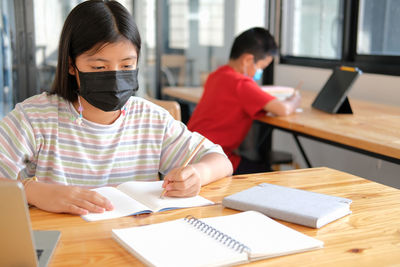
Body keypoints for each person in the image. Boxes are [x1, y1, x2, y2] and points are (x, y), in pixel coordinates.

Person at [0, 0, 232, 215]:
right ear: (71, 65)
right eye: (100, 67)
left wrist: (198, 174)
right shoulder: (34, 118)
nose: (115, 77)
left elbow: (220, 160)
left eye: (127, 65)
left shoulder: (152, 119)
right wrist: (32, 192)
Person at [187, 27, 301, 175]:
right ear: (248, 60)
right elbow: (283, 109)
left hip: (189, 151)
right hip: (213, 159)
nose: (260, 72)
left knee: (256, 165)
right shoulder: (242, 84)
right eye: (261, 67)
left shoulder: (216, 75)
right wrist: (295, 98)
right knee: (269, 176)